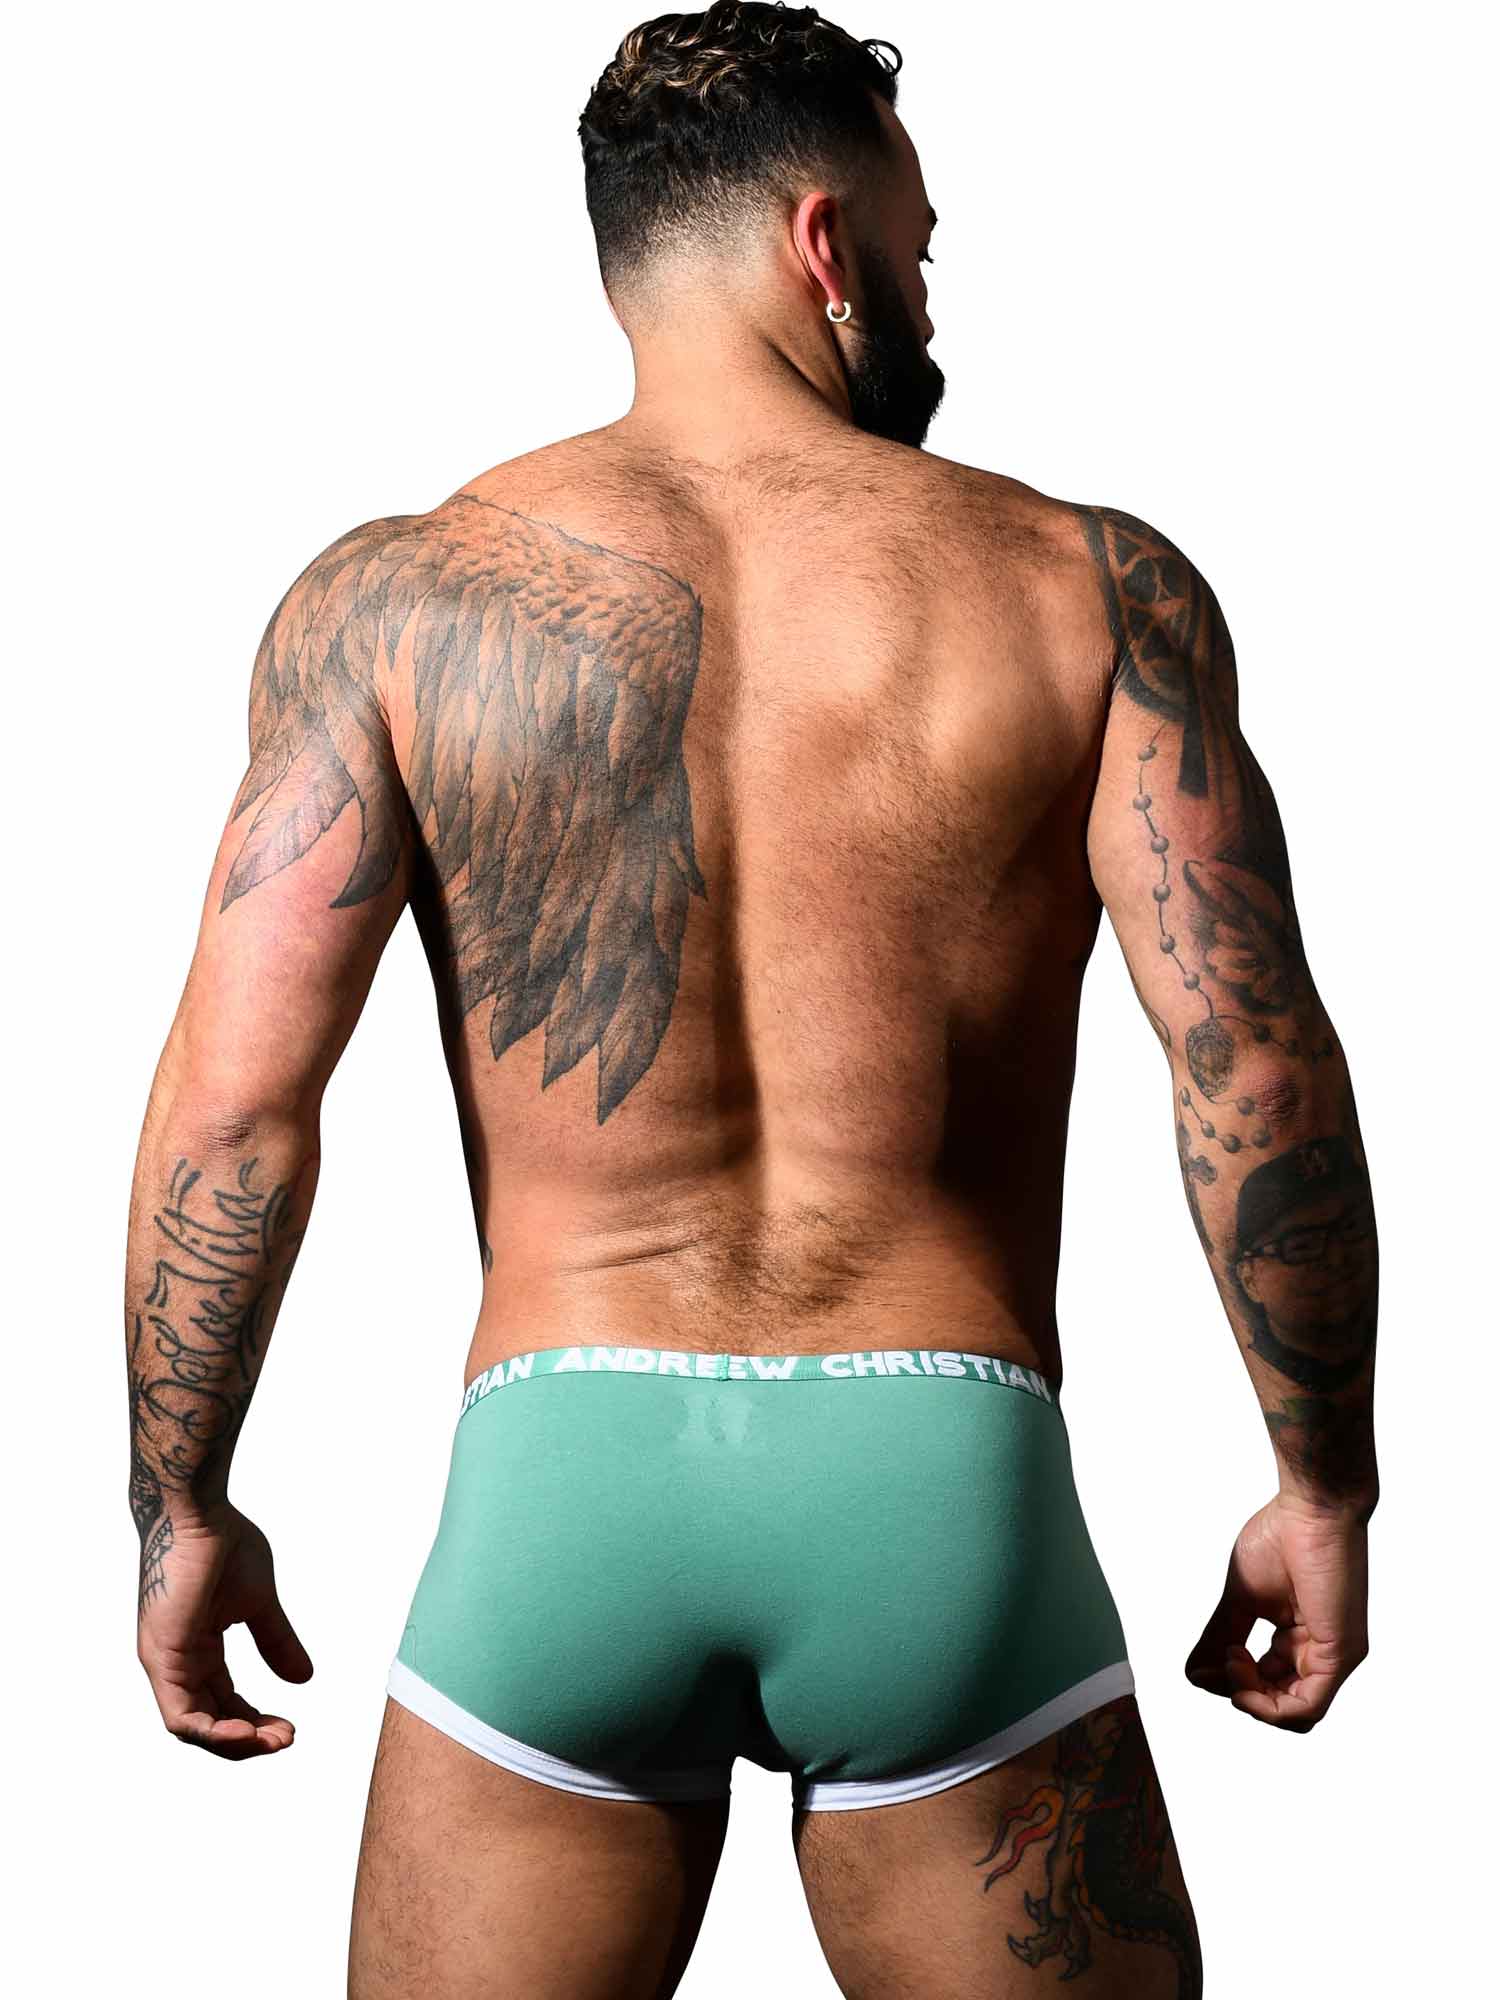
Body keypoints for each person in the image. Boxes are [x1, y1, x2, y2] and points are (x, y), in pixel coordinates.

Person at [123, 5, 1379, 1994]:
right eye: (919, 246)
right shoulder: (1086, 583)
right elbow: (1250, 1057)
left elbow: (235, 1106)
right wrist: (1323, 1484)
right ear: (824, 242)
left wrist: (181, 1504)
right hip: (940, 1483)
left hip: (563, 1479)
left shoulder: (392, 600)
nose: (930, 295)